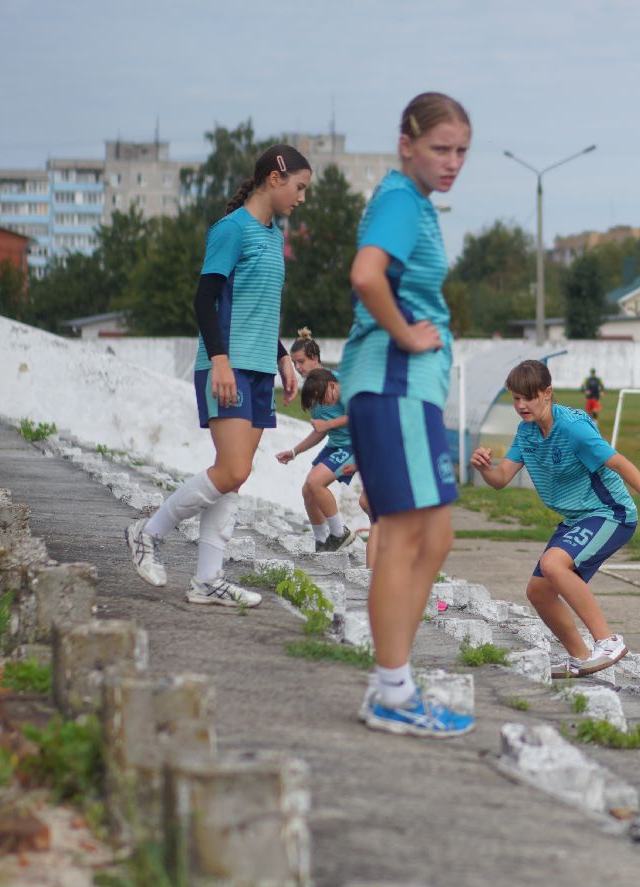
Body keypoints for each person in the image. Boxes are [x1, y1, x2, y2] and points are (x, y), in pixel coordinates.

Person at [125, 144, 311, 606]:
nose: (302, 198)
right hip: (225, 367)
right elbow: (205, 300)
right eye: (300, 187)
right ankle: (147, 532)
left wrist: (284, 357)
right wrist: (221, 360)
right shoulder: (231, 231)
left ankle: (207, 580)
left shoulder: (271, 235)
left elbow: (257, 308)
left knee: (234, 478)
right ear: (275, 177)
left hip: (258, 369)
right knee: (232, 469)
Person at [344, 92, 472, 739]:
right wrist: (405, 334)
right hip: (394, 384)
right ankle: (392, 689)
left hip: (402, 391)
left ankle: (392, 682)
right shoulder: (399, 200)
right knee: (406, 537)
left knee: (434, 537)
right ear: (407, 143)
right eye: (440, 149)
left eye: (461, 153)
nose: (452, 163)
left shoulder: (414, 202)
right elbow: (366, 275)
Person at [470, 359, 640, 678]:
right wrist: (484, 468)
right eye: (515, 398)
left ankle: (608, 641)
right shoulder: (527, 433)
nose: (521, 405)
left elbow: (618, 462)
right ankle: (581, 657)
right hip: (577, 518)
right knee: (538, 591)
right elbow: (501, 478)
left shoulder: (573, 427)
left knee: (553, 564)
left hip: (610, 513)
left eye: (528, 397)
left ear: (547, 393)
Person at [275, 367, 358, 553]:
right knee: (308, 490)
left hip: (353, 445)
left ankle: (339, 533)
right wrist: (295, 451)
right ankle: (322, 543)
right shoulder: (317, 389)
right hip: (334, 444)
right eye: (295, 362)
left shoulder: (346, 386)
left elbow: (360, 416)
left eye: (302, 361)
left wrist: (328, 424)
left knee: (315, 482)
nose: (298, 367)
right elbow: (320, 431)